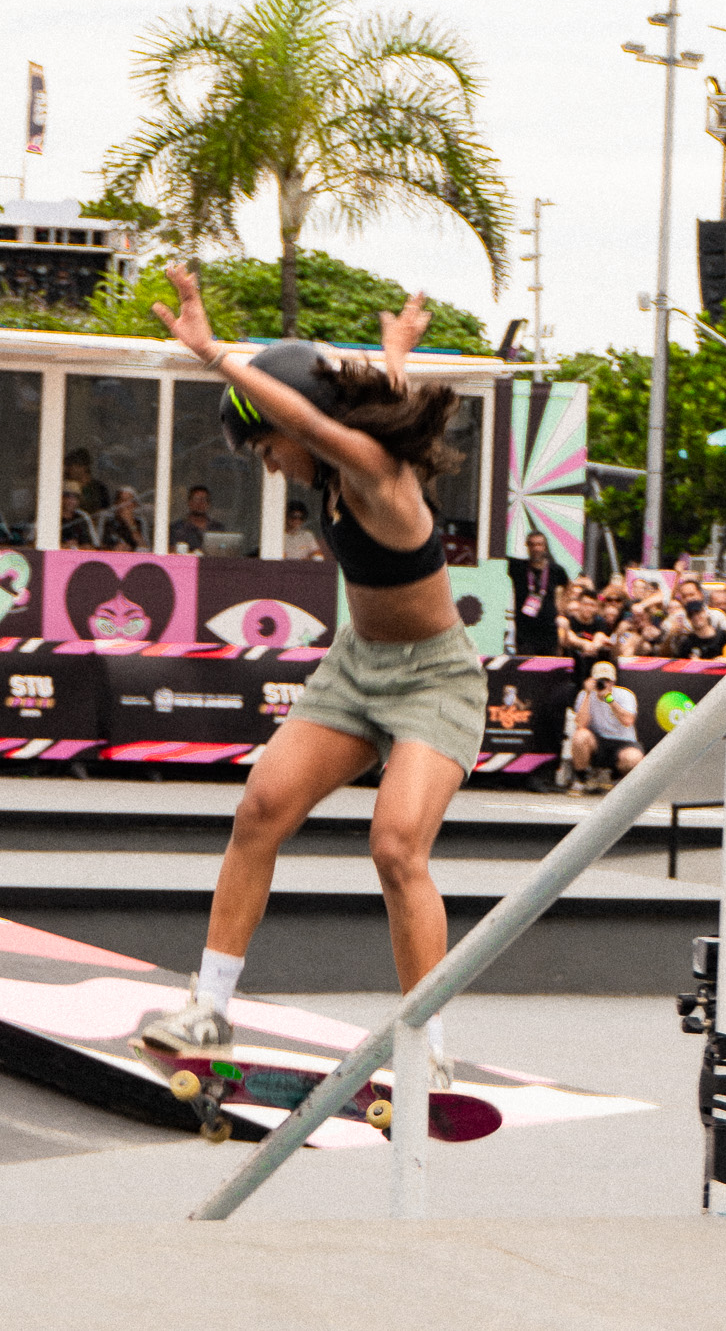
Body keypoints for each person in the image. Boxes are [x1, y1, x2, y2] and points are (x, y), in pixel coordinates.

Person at [137, 267, 479, 1087]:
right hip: (355, 666)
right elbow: (359, 406)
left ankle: (426, 1050)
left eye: (264, 447)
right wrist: (395, 350)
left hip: (436, 679)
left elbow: (314, 420)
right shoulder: (343, 464)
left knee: (397, 848)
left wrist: (214, 353)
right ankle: (210, 1007)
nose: (268, 465)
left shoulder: (373, 474)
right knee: (261, 809)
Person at [567, 659, 641, 794]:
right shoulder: (584, 695)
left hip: (623, 742)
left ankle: (618, 778)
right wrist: (589, 694)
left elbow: (628, 720)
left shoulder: (625, 695)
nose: (604, 684)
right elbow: (580, 724)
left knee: (633, 758)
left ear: (613, 682)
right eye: (601, 681)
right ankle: (581, 778)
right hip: (599, 741)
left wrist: (609, 699)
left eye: (608, 681)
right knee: (580, 736)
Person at [508, 529, 569, 656]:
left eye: (539, 544)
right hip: (525, 629)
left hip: (549, 629)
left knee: (549, 667)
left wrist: (561, 610)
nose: (536, 548)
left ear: (545, 547)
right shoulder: (518, 567)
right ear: (527, 546)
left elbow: (568, 587)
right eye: (532, 544)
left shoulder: (556, 570)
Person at [168, 483, 225, 553]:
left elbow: (225, 549)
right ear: (189, 502)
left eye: (204, 500)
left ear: (209, 504)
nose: (200, 503)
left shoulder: (217, 528)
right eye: (196, 499)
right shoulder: (176, 529)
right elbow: (170, 551)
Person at [63, 447, 110, 514]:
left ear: (82, 467)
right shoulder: (65, 486)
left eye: (70, 465)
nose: (66, 469)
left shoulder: (100, 489)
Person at [101, 484, 148, 551]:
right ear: (116, 503)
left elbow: (145, 547)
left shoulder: (140, 521)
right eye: (122, 500)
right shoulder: (107, 520)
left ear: (135, 505)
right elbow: (99, 546)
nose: (125, 504)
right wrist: (113, 550)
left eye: (129, 500)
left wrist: (131, 523)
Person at [58, 480, 100, 549]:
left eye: (75, 497)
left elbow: (94, 545)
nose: (71, 501)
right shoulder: (51, 516)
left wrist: (83, 547)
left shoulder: (83, 516)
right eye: (68, 497)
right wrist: (63, 546)